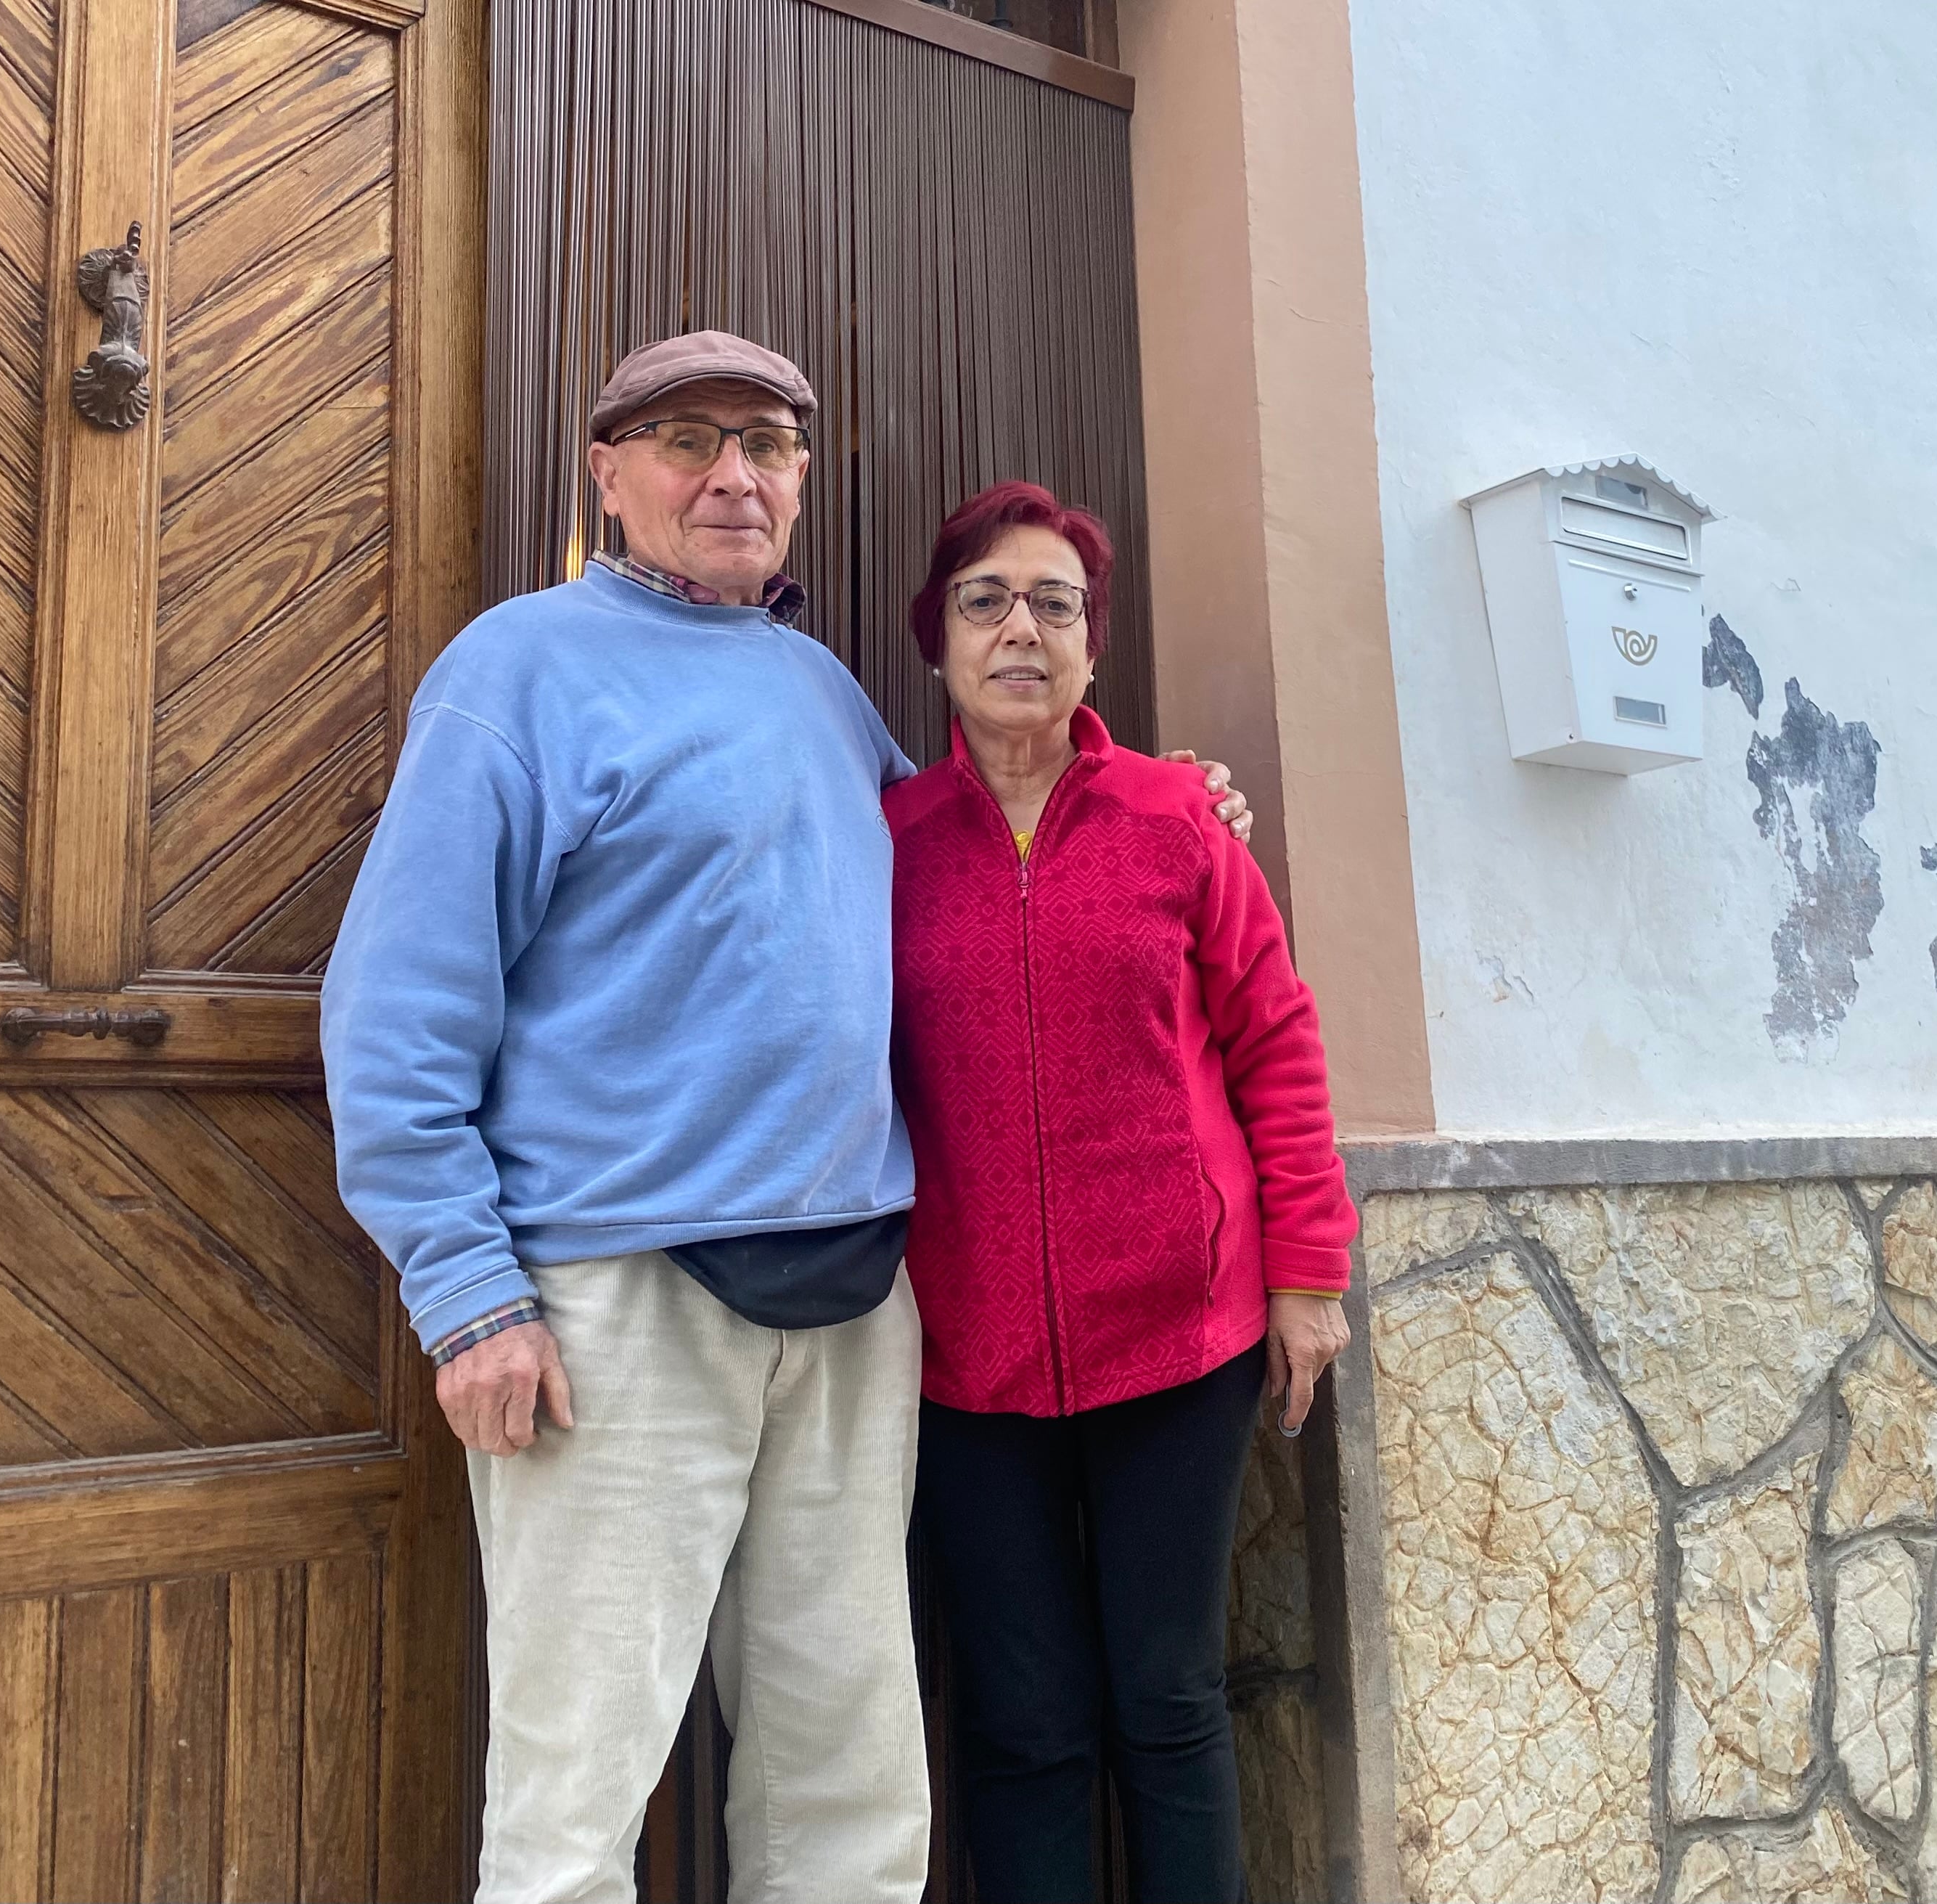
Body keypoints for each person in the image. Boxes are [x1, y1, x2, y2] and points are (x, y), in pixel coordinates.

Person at [321, 337, 1248, 1904]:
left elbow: (973, 851)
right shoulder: (515, 672)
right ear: (608, 477)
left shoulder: (823, 693)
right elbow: (394, 1010)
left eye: (768, 443)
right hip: (618, 1304)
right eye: (687, 441)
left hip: (854, 1309)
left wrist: (1164, 794)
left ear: (805, 483)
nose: (734, 475)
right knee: (576, 1794)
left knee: (850, 1776)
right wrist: (467, 1290)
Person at [885, 481, 1359, 1904]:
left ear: (1095, 649)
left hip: (1180, 1340)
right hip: (969, 1361)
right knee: (1024, 1726)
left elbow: (1277, 1038)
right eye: (985, 600)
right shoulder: (889, 845)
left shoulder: (1178, 821)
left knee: (1167, 1702)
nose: (1020, 627)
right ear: (939, 644)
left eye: (1055, 604)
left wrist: (1308, 1270)